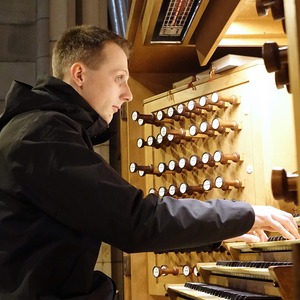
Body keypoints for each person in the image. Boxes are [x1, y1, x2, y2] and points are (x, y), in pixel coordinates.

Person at [0, 24, 298, 300]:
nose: (128, 94)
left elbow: (118, 219)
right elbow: (134, 221)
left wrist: (220, 231)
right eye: (119, 78)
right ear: (79, 75)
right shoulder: (42, 135)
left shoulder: (39, 127)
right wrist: (243, 213)